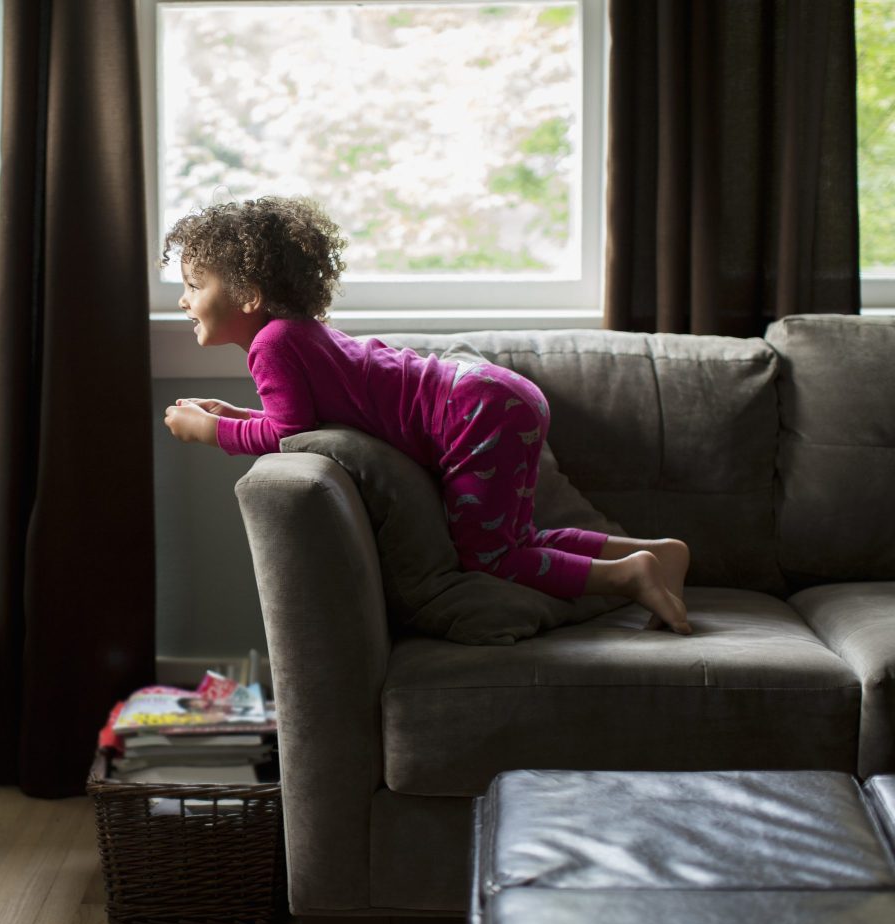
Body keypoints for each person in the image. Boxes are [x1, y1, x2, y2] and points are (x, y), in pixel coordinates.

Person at [160, 196, 691, 634]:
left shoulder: (271, 345)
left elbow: (289, 431)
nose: (184, 301)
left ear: (249, 295)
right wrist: (234, 413)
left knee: (489, 557)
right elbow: (298, 415)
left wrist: (212, 433)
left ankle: (627, 577)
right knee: (515, 537)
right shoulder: (295, 331)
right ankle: (653, 553)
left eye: (194, 285)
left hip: (474, 414)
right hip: (494, 399)